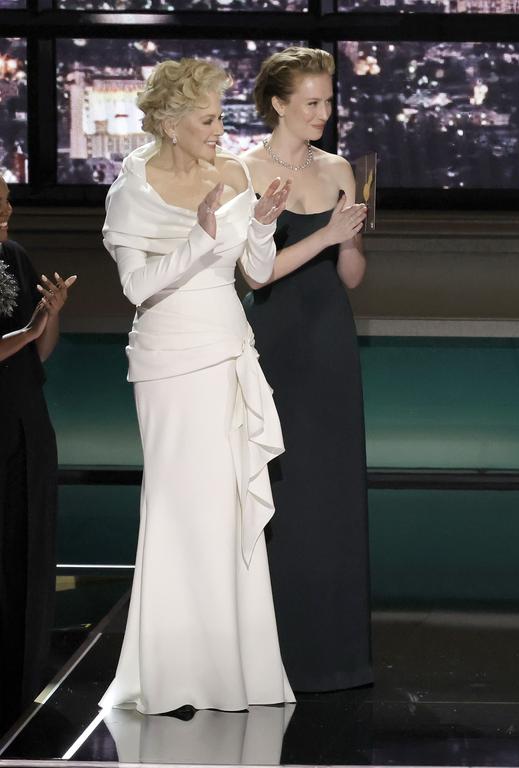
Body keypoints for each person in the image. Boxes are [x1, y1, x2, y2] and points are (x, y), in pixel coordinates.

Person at [99, 58, 295, 714]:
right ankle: (174, 669)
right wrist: (200, 238)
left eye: (220, 116)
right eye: (208, 119)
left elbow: (257, 273)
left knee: (229, 510)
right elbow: (135, 287)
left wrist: (261, 223)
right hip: (168, 364)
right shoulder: (133, 187)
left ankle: (240, 672)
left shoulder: (238, 174)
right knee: (181, 513)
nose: (221, 128)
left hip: (228, 351)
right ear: (171, 123)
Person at [241, 46, 371, 692]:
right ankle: (274, 659)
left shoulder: (339, 167)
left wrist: (348, 238)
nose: (324, 112)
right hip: (270, 341)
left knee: (333, 490)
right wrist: (321, 237)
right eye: (312, 102)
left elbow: (350, 276)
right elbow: (251, 271)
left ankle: (337, 656)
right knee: (279, 492)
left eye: (328, 101)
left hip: (329, 343)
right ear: (279, 104)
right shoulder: (242, 169)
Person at [0, 178, 75, 732]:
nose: (5, 214)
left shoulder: (15, 257)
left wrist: (50, 317)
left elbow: (38, 350)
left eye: (6, 204)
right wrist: (27, 331)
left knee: (29, 552)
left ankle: (23, 685)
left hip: (28, 421)